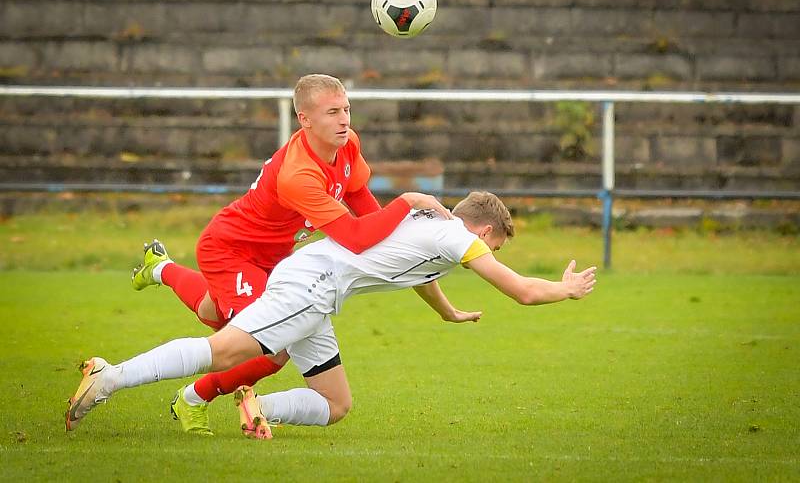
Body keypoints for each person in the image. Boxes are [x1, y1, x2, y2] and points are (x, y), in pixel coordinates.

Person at [66, 192, 597, 438]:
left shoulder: (429, 229)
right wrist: (566, 289)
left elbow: (423, 276)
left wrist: (450, 313)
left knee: (335, 402)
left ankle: (258, 408)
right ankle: (110, 376)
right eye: (494, 248)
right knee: (226, 347)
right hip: (310, 285)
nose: (491, 256)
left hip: (317, 288)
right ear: (481, 233)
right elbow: (522, 292)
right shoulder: (452, 236)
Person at [129, 73, 451, 435]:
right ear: (305, 119)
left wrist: (409, 255)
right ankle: (191, 398)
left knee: (212, 311)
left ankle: (161, 268)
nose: (344, 119)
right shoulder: (297, 173)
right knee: (271, 347)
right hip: (232, 249)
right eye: (332, 112)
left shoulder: (346, 144)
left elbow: (364, 205)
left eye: (346, 109)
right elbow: (357, 238)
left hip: (276, 257)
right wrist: (405, 204)